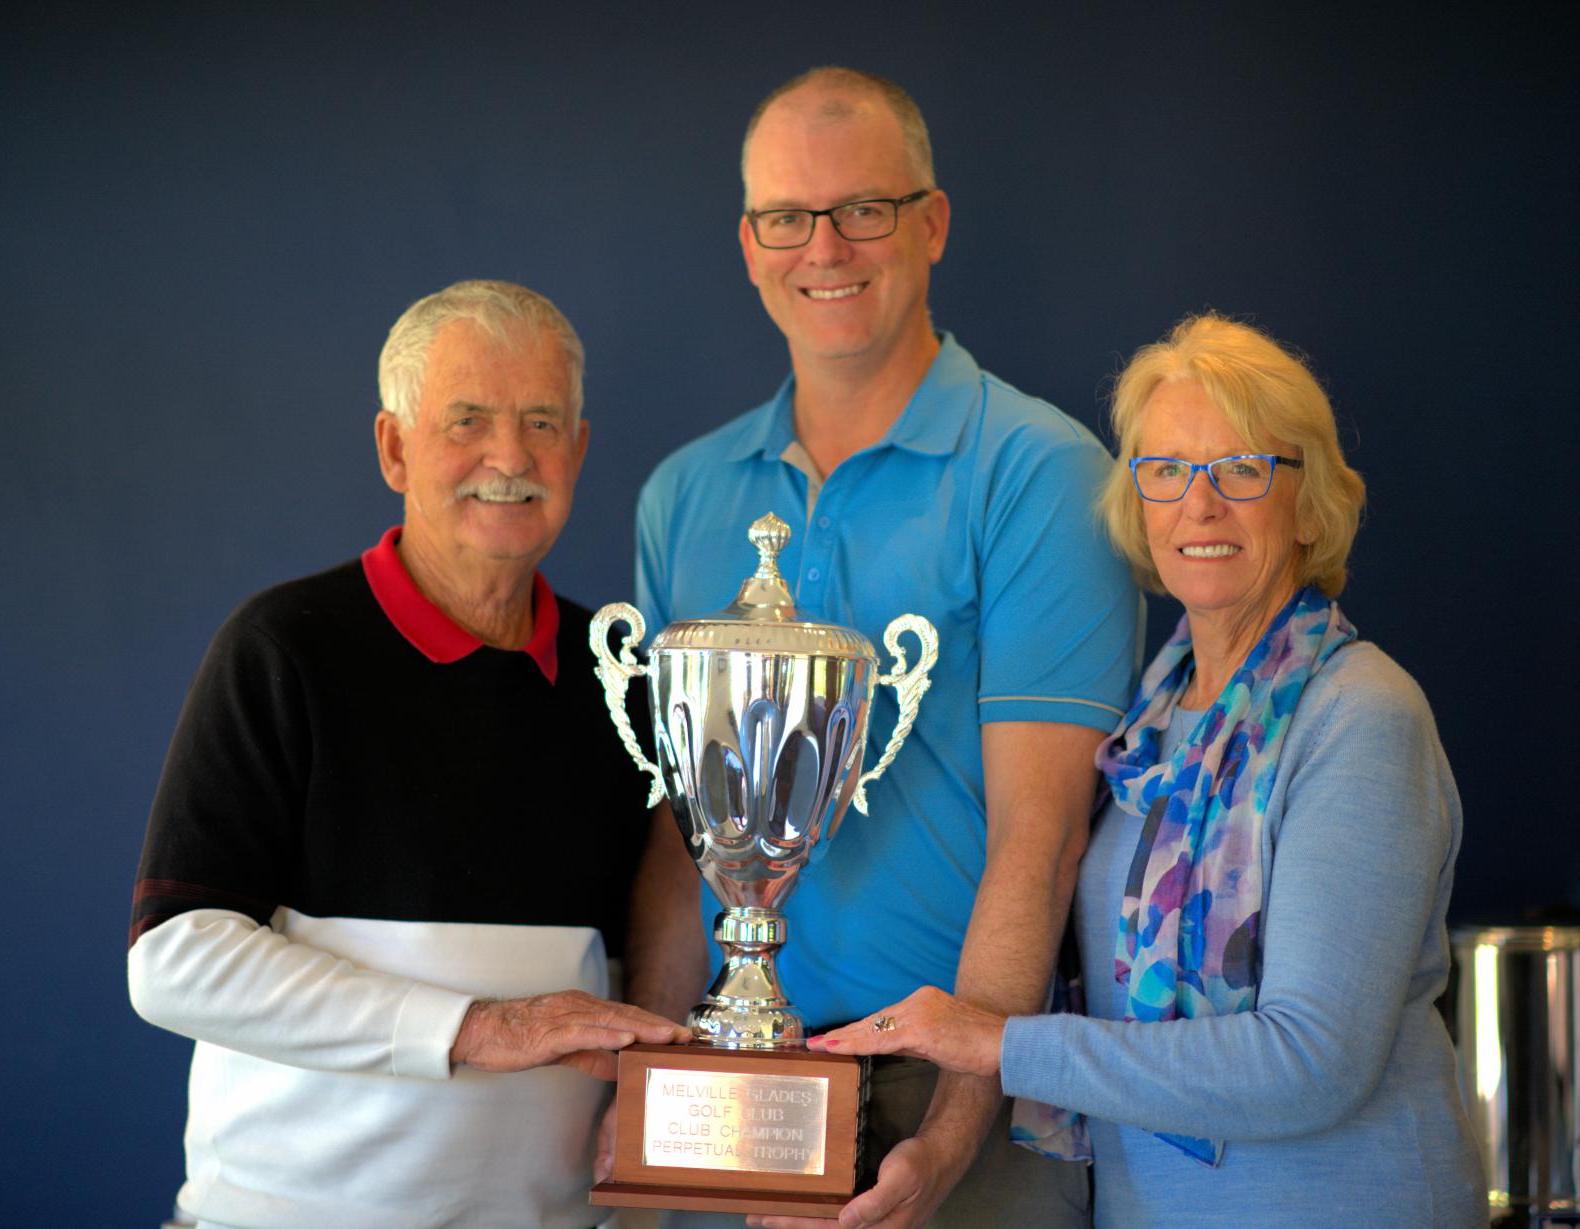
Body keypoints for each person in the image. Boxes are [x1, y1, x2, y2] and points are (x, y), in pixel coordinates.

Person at [810, 314, 1489, 1226]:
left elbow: (1311, 1062)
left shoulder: (1361, 715)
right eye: (1165, 471)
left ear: (1311, 498)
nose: (1198, 506)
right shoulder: (1151, 724)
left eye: (1242, 469)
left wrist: (1004, 1044)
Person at [626, 68, 1140, 1229]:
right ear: (749, 246)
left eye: (864, 208)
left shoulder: (1041, 476)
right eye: (786, 219)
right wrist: (646, 1092)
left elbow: (1041, 837)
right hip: (727, 1096)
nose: (825, 247)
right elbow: (677, 829)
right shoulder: (683, 497)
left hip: (955, 1111)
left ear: (933, 222)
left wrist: (951, 1140)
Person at [128, 279, 689, 1229]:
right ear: (394, 446)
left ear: (580, 450)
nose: (508, 457)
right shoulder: (283, 646)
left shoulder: (625, 678)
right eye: (466, 419)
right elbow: (174, 960)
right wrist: (479, 1028)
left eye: (542, 422)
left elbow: (645, 961)